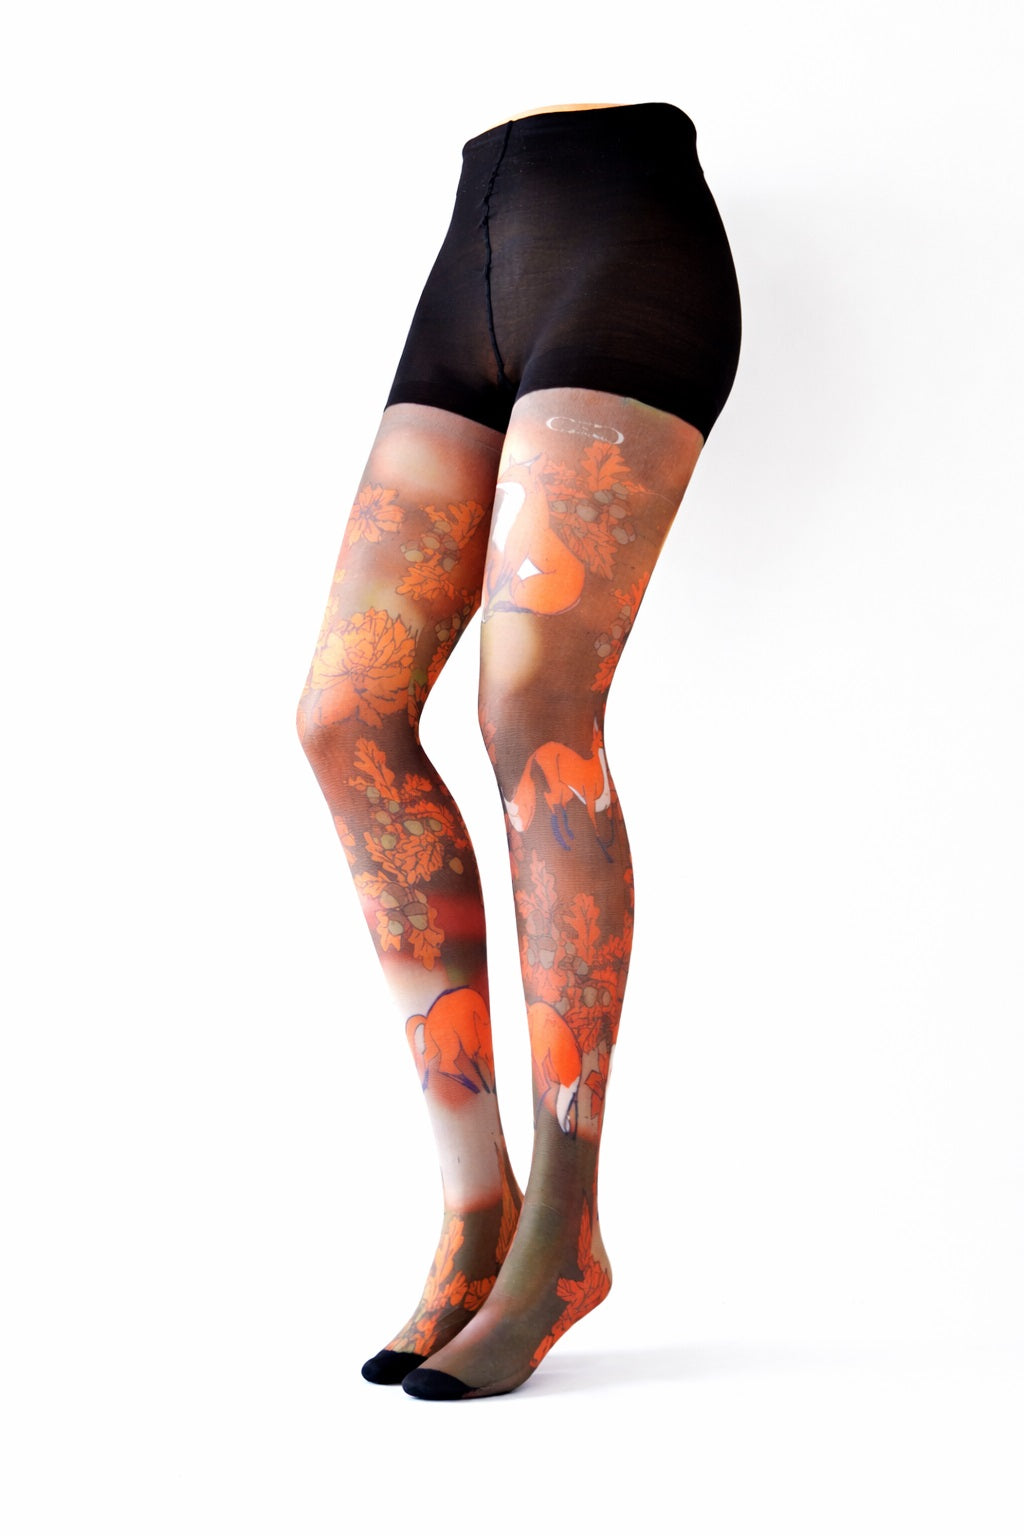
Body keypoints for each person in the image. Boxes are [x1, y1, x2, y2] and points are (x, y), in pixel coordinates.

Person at [297, 102, 742, 1399]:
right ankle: (475, 1209)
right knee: (344, 717)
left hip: (631, 241)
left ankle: (565, 1223)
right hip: (477, 231)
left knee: (533, 707)